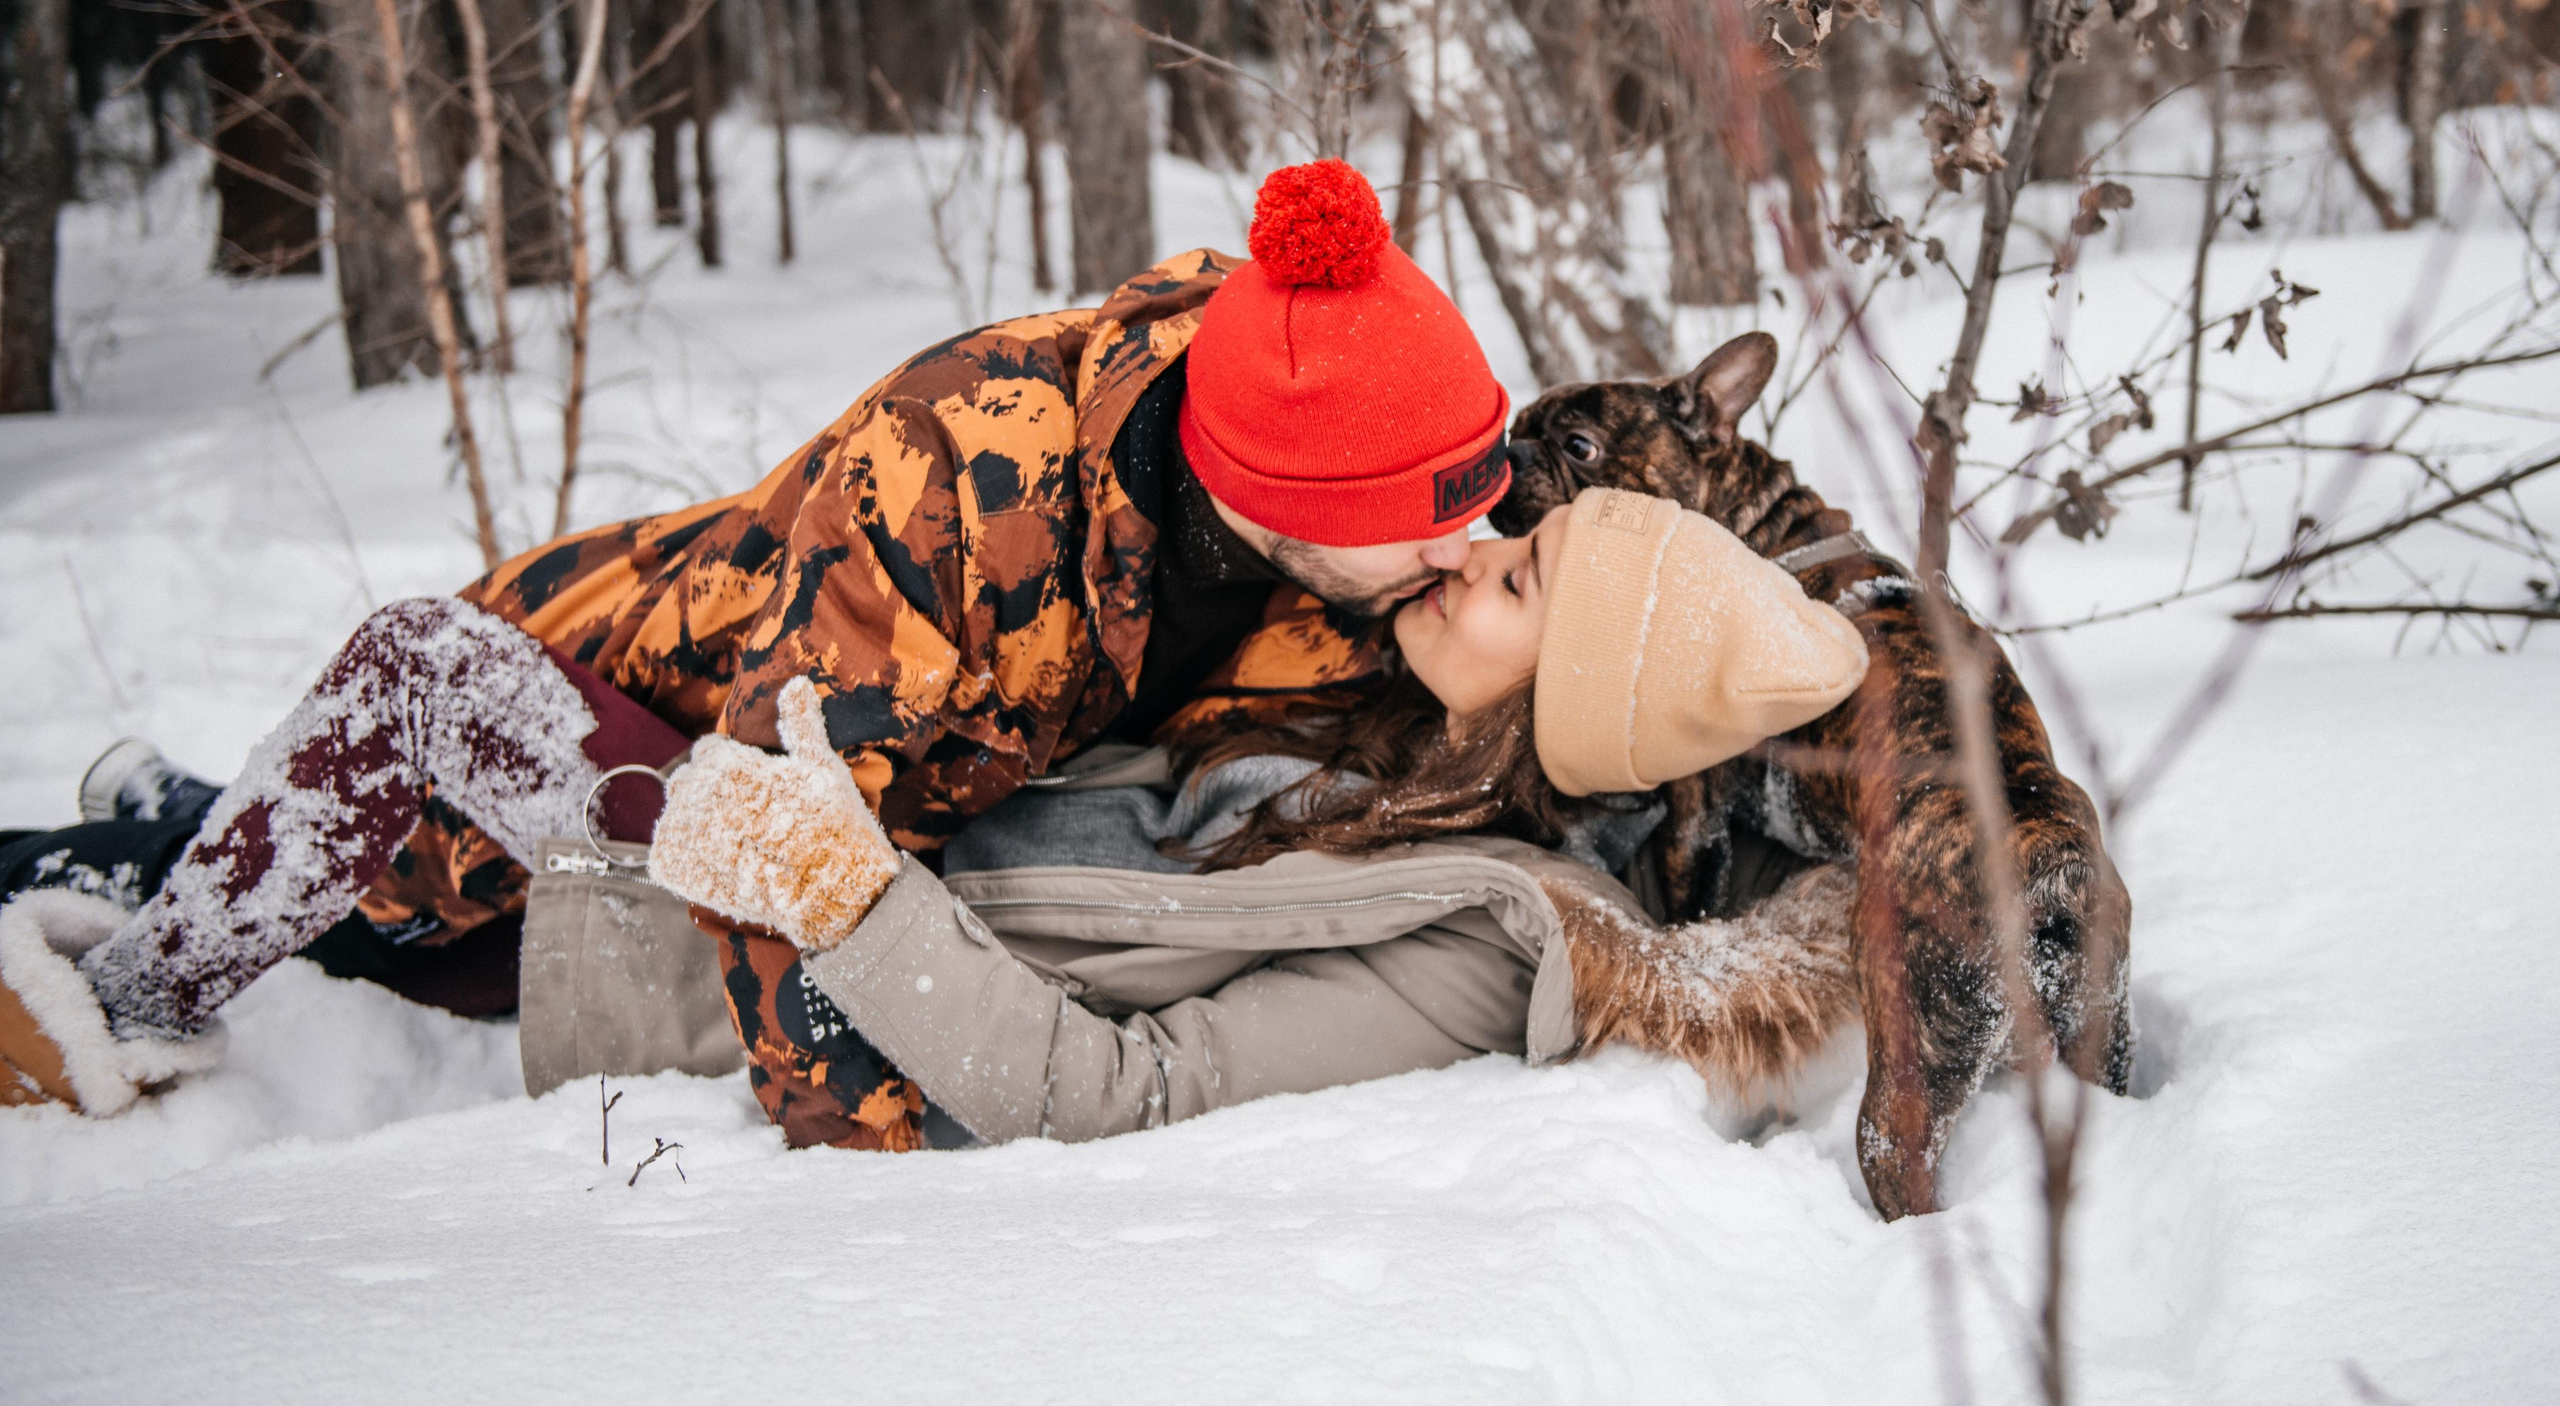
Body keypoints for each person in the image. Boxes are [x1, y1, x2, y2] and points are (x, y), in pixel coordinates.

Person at [1, 157, 1517, 1125]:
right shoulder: (956, 475)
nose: (1476, 544)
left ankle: (170, 808)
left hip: (778, 807)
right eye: (1437, 518)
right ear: (1276, 501)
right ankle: (116, 994)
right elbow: (765, 828)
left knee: (360, 920)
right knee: (383, 912)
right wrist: (867, 1128)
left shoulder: (1325, 482)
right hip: (611, 722)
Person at [5, 486, 1869, 1141]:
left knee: (430, 674)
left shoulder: (1475, 942)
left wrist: (839, 888)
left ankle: (134, 999)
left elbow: (1114, 1094)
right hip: (833, 825)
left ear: (1582, 712)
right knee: (357, 876)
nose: (1470, 562)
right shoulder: (1386, 696)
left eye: (1519, 584)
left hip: (779, 940)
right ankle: (159, 837)